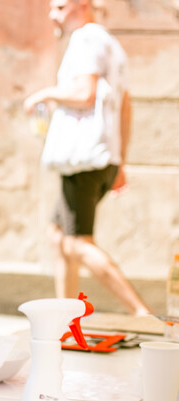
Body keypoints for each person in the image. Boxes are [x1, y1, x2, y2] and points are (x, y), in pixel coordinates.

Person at [24, 0, 151, 315]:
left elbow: (85, 95)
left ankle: (142, 314)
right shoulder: (109, 42)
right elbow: (124, 104)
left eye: (59, 7)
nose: (53, 14)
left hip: (83, 157)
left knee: (77, 242)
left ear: (82, 4)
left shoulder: (85, 39)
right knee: (58, 235)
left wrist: (45, 94)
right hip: (100, 157)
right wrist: (119, 160)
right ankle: (66, 320)